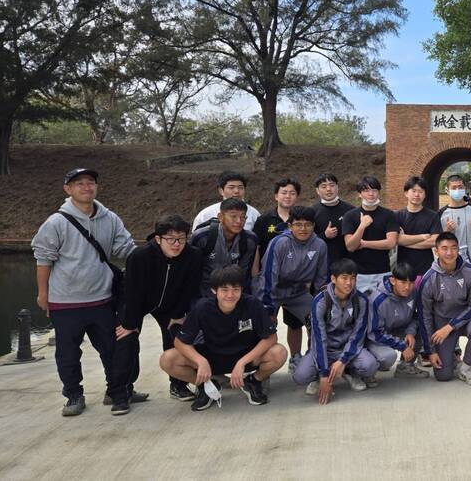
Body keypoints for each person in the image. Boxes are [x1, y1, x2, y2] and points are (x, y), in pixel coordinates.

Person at [31, 168, 137, 417]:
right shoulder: (56, 222)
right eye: (79, 183)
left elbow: (126, 248)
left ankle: (117, 390)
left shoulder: (110, 218)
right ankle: (73, 395)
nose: (86, 187)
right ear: (67, 189)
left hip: (102, 299)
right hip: (65, 302)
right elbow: (43, 260)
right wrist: (43, 294)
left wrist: (154, 255)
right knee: (68, 354)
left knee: (112, 349)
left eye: (90, 182)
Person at [109, 215, 203, 415]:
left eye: (181, 238)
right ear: (158, 239)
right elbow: (131, 291)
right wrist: (131, 323)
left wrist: (178, 314)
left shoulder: (193, 255)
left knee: (177, 337)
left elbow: (190, 288)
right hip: (138, 302)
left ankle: (178, 384)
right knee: (126, 339)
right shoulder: (140, 256)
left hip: (171, 304)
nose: (176, 244)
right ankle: (120, 392)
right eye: (171, 239)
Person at [159, 265, 287, 411]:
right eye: (224, 290)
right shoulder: (203, 308)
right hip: (212, 357)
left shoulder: (252, 304)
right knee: (168, 359)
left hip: (246, 356)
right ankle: (206, 386)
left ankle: (253, 381)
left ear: (242, 289)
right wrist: (200, 361)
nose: (230, 295)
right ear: (214, 290)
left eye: (236, 289)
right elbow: (180, 342)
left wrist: (242, 362)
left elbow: (271, 337)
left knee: (279, 352)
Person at [293, 258, 378, 403]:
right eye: (344, 278)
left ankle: (348, 372)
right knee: (300, 376)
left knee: (370, 366)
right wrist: (324, 375)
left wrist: (342, 361)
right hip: (326, 349)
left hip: (347, 349)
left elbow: (358, 335)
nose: (349, 283)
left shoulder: (361, 300)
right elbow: (319, 339)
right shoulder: (321, 301)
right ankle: (318, 377)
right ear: (333, 279)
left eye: (352, 278)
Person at [258, 205, 328, 372]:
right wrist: (268, 308)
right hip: (274, 292)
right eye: (298, 224)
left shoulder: (319, 245)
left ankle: (312, 360)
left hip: (298, 292)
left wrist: (321, 303)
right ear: (290, 226)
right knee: (264, 326)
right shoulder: (279, 242)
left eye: (308, 224)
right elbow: (268, 276)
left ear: (313, 226)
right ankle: (262, 370)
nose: (303, 229)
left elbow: (322, 279)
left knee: (318, 318)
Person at [417, 232, 471, 386]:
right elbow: (425, 316)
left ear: (458, 249)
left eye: (454, 248)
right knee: (443, 375)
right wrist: (431, 351)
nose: (449, 252)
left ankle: (466, 368)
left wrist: (450, 326)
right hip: (442, 322)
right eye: (444, 248)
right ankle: (450, 358)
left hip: (466, 320)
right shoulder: (429, 279)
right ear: (436, 251)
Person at [366, 263, 429, 380]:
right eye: (403, 282)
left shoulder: (413, 292)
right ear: (393, 280)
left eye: (411, 283)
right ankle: (368, 369)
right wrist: (402, 346)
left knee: (421, 328)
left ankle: (405, 367)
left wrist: (410, 332)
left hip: (397, 329)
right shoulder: (378, 300)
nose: (407, 287)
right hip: (375, 337)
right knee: (388, 357)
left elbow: (416, 316)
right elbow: (375, 332)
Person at [342, 176, 399, 295]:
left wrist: (364, 244)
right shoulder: (350, 216)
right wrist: (362, 226)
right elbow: (350, 246)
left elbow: (391, 243)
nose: (371, 194)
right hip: (357, 274)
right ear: (359, 194)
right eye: (366, 190)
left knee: (382, 305)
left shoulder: (389, 215)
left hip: (382, 271)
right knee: (359, 305)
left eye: (374, 190)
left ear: (379, 192)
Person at [190, 198, 258, 298]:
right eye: (233, 216)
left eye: (243, 217)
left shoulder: (250, 240)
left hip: (232, 295)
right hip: (204, 294)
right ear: (220, 217)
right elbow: (192, 271)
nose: (239, 221)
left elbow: (244, 274)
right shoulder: (202, 237)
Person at [395, 176, 443, 277]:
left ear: (425, 194)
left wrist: (405, 241)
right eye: (413, 191)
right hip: (403, 270)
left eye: (420, 191)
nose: (417, 195)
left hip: (426, 269)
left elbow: (435, 241)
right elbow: (395, 239)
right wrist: (422, 237)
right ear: (406, 193)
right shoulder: (397, 216)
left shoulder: (432, 216)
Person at [439, 174, 471, 272]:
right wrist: (446, 231)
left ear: (465, 189)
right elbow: (438, 242)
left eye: (460, 187)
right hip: (451, 266)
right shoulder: (441, 213)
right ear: (447, 190)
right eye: (454, 188)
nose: (457, 190)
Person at [311, 173, 354, 272]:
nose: (328, 189)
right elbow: (306, 240)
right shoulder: (312, 212)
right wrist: (324, 235)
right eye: (323, 186)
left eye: (332, 185)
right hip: (321, 264)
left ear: (337, 187)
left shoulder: (350, 210)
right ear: (317, 190)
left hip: (347, 264)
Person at [191, 171, 260, 232]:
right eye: (231, 187)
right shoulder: (206, 214)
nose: (236, 191)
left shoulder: (254, 214)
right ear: (221, 191)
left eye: (240, 187)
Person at [253, 178, 301, 263]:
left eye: (292, 193)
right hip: (269, 266)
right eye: (284, 193)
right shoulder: (264, 219)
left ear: (297, 197)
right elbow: (256, 247)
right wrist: (256, 270)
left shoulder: (302, 219)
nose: (288, 196)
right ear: (276, 196)